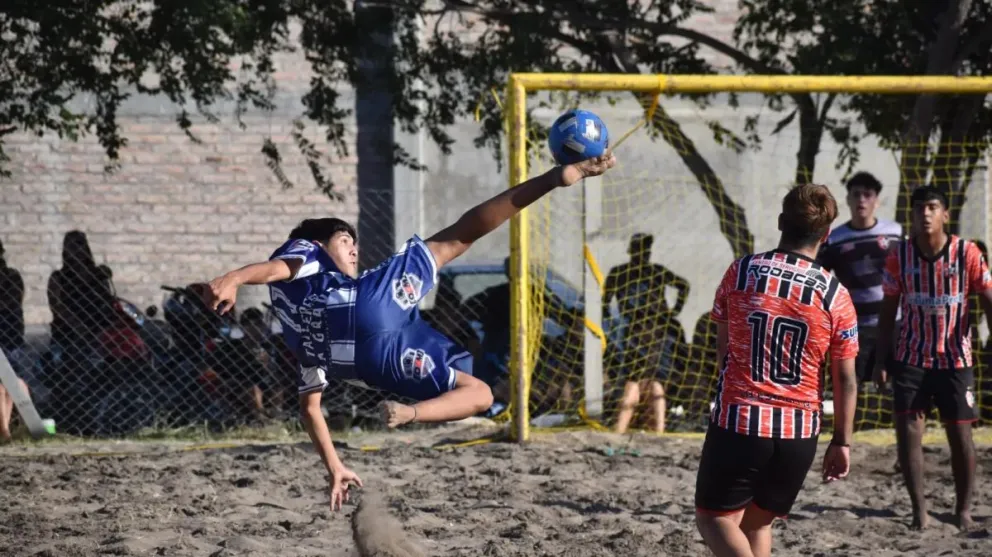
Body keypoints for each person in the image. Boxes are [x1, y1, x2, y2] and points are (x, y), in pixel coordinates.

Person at [202, 153, 617, 510]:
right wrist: (236, 277)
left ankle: (410, 413)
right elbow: (277, 268)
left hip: (368, 360)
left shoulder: (299, 326)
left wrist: (335, 467)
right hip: (365, 309)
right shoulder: (307, 253)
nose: (353, 248)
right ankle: (550, 180)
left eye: (354, 243)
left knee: (481, 394)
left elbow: (310, 409)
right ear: (318, 242)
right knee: (456, 237)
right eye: (345, 239)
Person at [694, 184, 859, 557]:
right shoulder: (835, 294)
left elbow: (724, 348)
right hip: (799, 434)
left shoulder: (742, 272)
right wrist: (842, 441)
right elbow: (845, 378)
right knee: (757, 522)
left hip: (741, 421)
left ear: (781, 221)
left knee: (713, 519)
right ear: (827, 234)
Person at [874, 186, 992, 531]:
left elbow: (987, 297)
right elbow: (887, 311)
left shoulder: (967, 253)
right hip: (911, 358)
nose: (924, 214)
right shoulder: (900, 255)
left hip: (956, 360)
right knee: (909, 431)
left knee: (961, 437)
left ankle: (964, 510)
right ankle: (919, 512)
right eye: (919, 208)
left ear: (944, 214)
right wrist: (882, 360)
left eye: (932, 207)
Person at [816, 172, 904, 383]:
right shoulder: (834, 239)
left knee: (898, 387)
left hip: (895, 324)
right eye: (856, 195)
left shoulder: (895, 233)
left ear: (877, 200)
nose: (862, 200)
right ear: (847, 199)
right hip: (855, 327)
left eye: (867, 194)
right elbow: (819, 279)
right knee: (856, 385)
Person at [605, 233, 690, 434]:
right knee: (635, 386)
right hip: (636, 332)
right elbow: (604, 301)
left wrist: (675, 310)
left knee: (654, 387)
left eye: (645, 251)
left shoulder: (655, 272)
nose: (642, 255)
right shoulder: (620, 273)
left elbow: (683, 285)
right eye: (640, 250)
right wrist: (611, 325)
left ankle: (654, 432)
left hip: (655, 332)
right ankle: (624, 430)